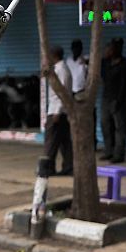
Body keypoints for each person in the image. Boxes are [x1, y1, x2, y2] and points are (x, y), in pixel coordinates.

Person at [100, 38, 126, 163]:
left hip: (118, 100)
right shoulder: (106, 62)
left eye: (111, 49)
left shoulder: (124, 64)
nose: (108, 51)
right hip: (106, 98)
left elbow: (125, 85)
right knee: (105, 125)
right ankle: (109, 151)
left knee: (120, 128)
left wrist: (118, 100)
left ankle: (119, 154)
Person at [43, 46, 73, 176]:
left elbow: (63, 92)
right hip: (59, 111)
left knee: (51, 140)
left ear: (53, 56)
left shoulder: (62, 70)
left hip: (57, 111)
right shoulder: (58, 69)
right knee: (64, 142)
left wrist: (57, 111)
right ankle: (69, 166)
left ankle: (47, 168)